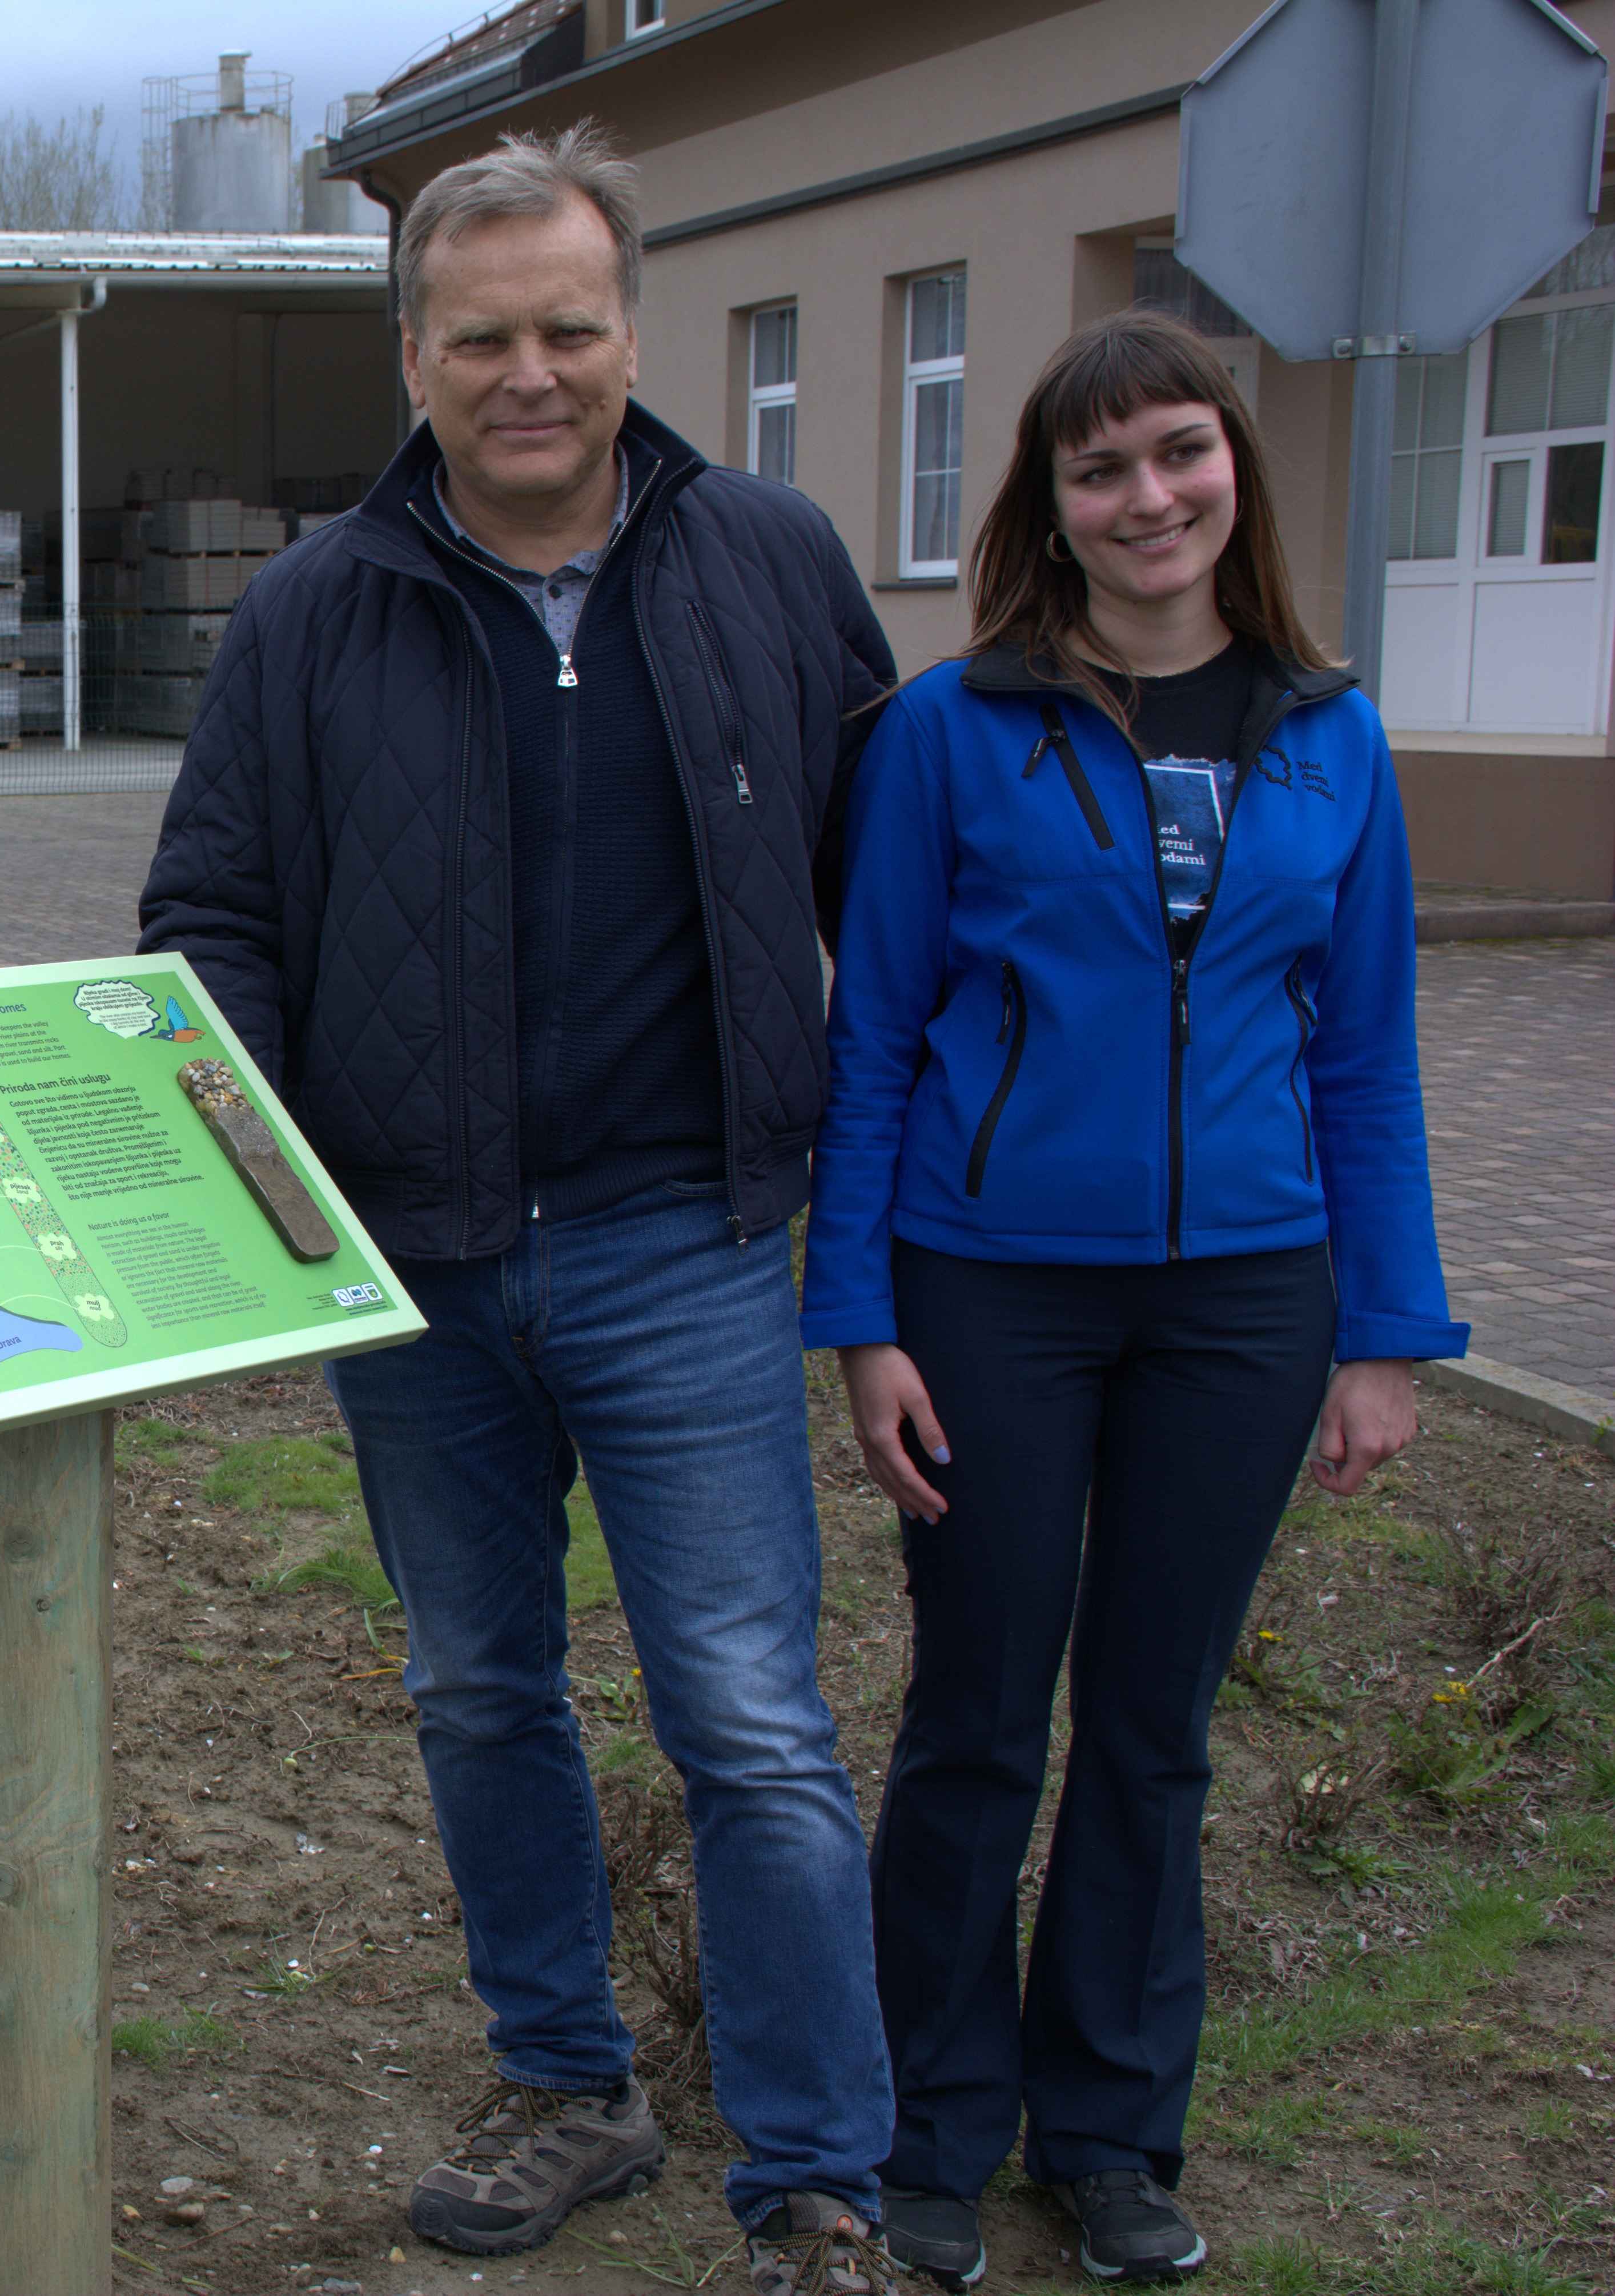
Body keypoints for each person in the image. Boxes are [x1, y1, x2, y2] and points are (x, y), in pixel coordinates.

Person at [140, 122, 902, 2291]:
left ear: (628, 328)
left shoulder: (770, 557)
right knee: (479, 1686)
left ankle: (816, 2179)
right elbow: (211, 921)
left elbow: (892, 894)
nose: (530, 372)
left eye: (569, 327)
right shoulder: (310, 614)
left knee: (748, 1717)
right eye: (480, 338)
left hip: (683, 1246)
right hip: (419, 1264)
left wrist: (874, 1234)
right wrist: (265, 1207)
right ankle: (566, 2083)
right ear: (413, 355)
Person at [802, 308, 1466, 2287]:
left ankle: (1107, 2131)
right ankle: (933, 2128)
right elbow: (877, 1040)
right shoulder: (948, 728)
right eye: (1099, 468)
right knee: (977, 1717)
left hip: (1245, 1304)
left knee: (1154, 1730)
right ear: (1052, 508)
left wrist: (1383, 1331)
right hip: (988, 1285)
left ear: (1231, 473)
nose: (1146, 494)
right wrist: (860, 1322)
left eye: (1177, 450)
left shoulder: (1332, 735)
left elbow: (1364, 1052)